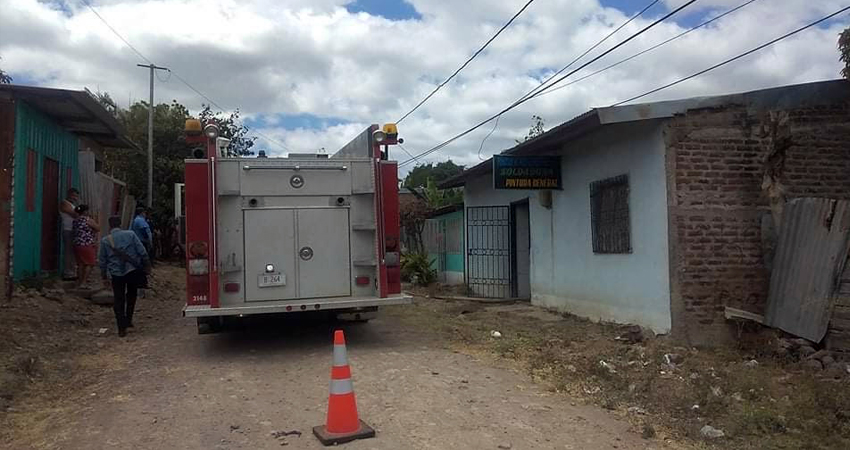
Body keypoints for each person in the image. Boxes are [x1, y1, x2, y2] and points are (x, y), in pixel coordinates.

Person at [99, 216, 149, 337]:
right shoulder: (130, 234)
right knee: (131, 295)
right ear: (120, 224)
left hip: (116, 273)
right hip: (132, 270)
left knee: (118, 298)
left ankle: (121, 327)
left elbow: (102, 261)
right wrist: (147, 264)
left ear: (110, 225)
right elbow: (142, 251)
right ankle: (128, 320)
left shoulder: (106, 240)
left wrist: (104, 276)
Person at [72, 205, 100, 288]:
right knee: (90, 263)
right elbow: (98, 228)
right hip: (87, 244)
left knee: (80, 264)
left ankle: (80, 282)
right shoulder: (88, 220)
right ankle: (84, 282)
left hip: (77, 244)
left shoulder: (75, 221)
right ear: (85, 212)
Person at [60, 188, 80, 280]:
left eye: (76, 196)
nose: (74, 198)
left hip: (73, 230)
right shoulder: (64, 203)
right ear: (68, 194)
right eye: (73, 195)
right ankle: (68, 273)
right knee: (69, 252)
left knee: (72, 252)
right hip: (68, 230)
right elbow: (75, 214)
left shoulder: (72, 205)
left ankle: (72, 272)